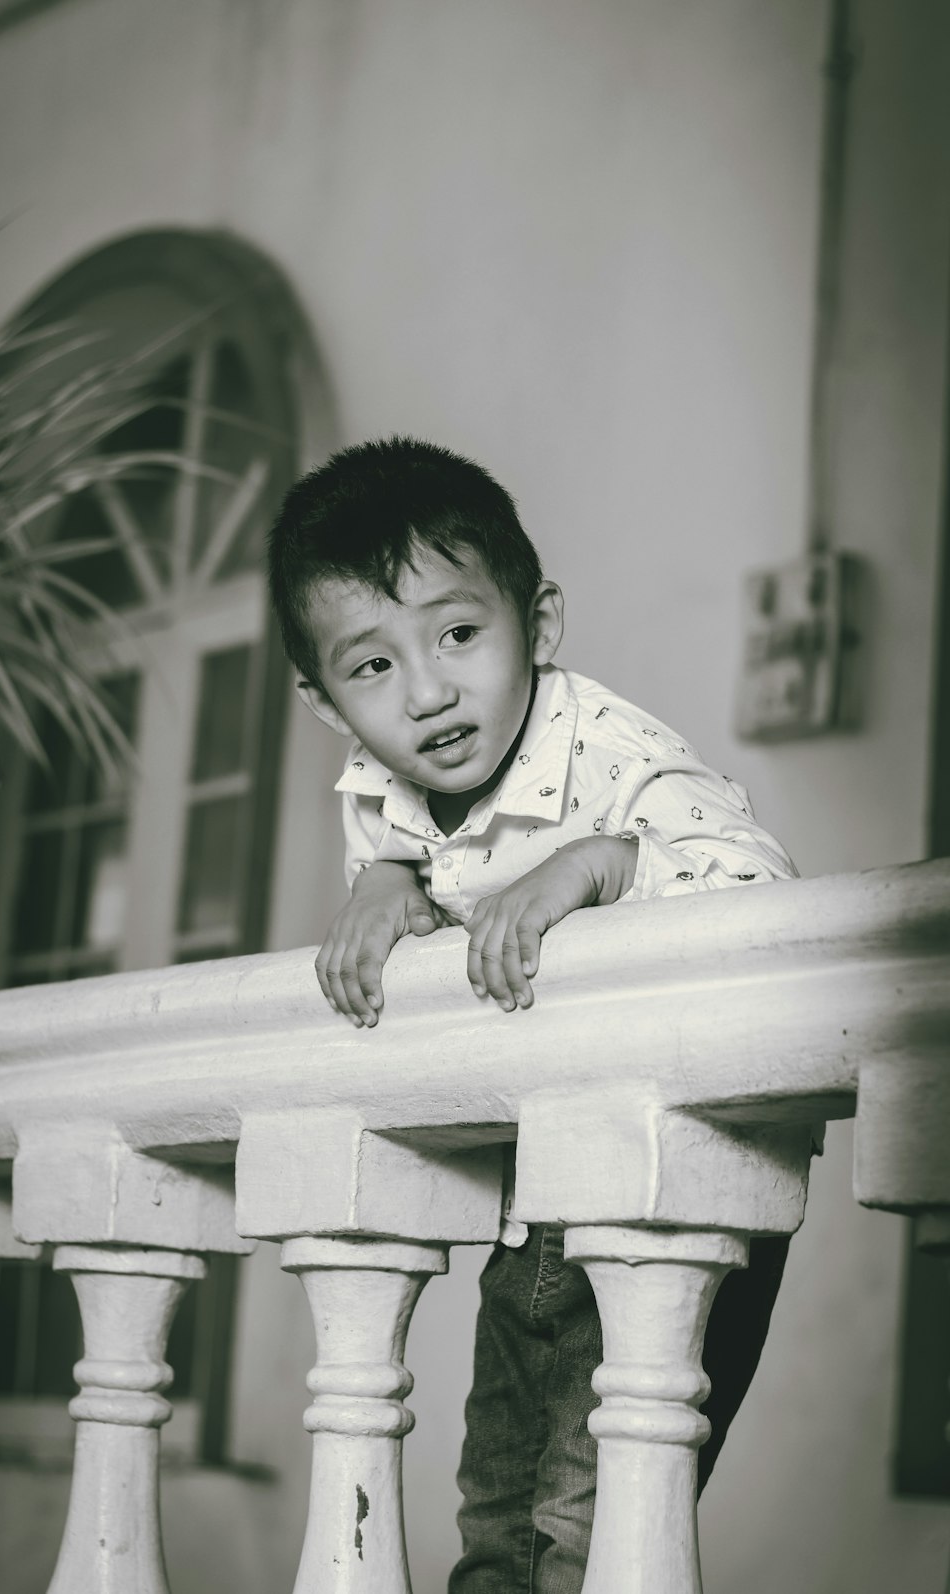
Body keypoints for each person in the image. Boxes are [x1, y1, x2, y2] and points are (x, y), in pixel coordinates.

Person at [267, 436, 798, 1593]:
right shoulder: (378, 789)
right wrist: (387, 881)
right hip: (539, 1189)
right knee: (495, 1506)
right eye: (371, 665)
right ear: (319, 699)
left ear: (538, 624)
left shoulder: (612, 753)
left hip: (677, 1184)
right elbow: (410, 861)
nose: (427, 689)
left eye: (460, 633)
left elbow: (761, 893)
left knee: (585, 1515)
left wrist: (604, 862)